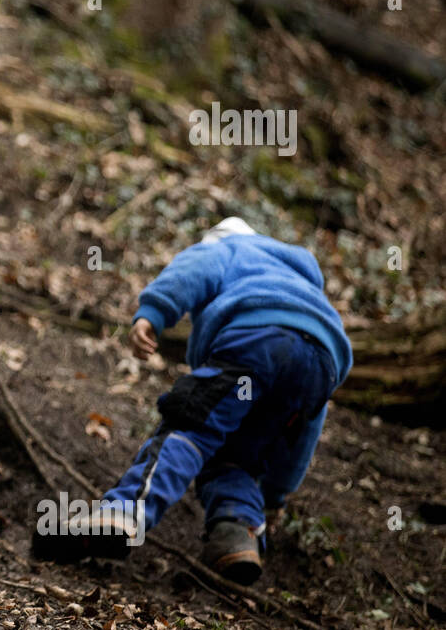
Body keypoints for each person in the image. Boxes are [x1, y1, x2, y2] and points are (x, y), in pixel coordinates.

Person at [35, 217, 351, 584]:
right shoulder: (304, 282)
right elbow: (305, 432)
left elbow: (193, 269)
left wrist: (153, 314)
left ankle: (123, 512)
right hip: (321, 368)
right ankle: (237, 535)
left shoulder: (230, 247)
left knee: (192, 427)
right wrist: (278, 494)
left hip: (255, 341)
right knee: (237, 457)